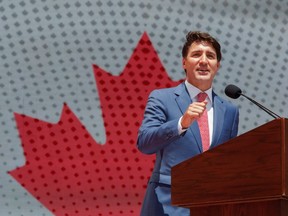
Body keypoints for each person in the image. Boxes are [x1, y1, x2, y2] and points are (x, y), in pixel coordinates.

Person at [137, 31, 239, 216]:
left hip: (212, 204)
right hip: (168, 201)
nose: (203, 60)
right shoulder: (162, 98)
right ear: (184, 62)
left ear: (217, 65)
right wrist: (180, 124)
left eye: (210, 56)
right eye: (196, 54)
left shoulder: (230, 111)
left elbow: (228, 162)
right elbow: (145, 143)